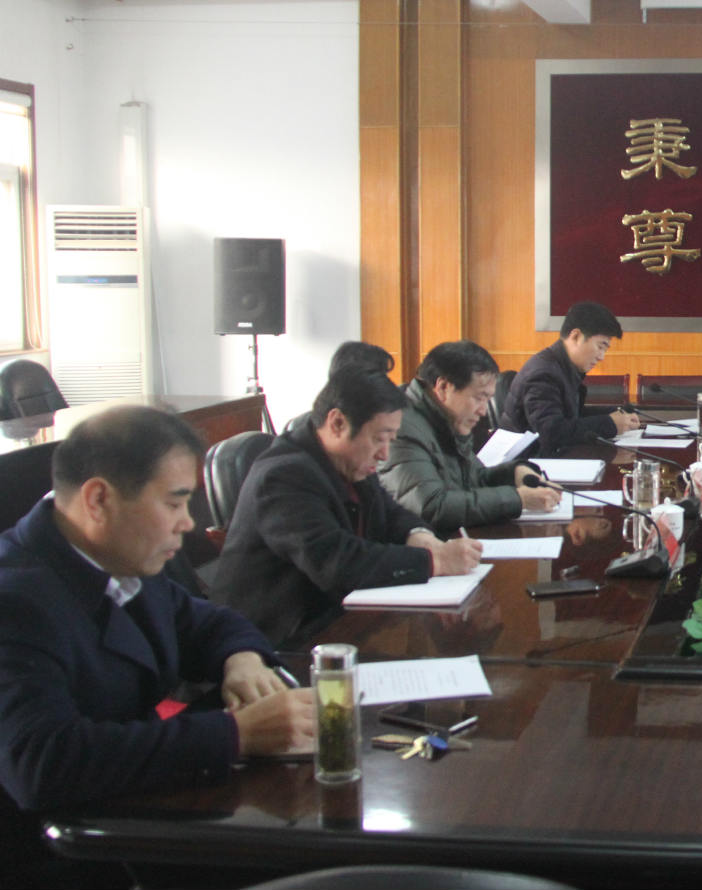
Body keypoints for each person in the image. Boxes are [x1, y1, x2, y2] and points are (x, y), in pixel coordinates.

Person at [0, 407, 313, 866]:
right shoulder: (15, 601)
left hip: (136, 808)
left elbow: (206, 622)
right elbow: (41, 762)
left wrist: (242, 659)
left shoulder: (117, 556)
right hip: (63, 853)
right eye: (174, 503)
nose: (188, 523)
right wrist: (236, 734)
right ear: (98, 500)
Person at [211, 368, 483, 647]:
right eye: (379, 438)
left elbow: (390, 513)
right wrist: (436, 561)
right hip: (271, 646)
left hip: (336, 622)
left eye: (391, 440)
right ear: (338, 423)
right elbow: (337, 562)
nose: (385, 454)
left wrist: (419, 536)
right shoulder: (283, 476)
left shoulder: (348, 460)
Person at [379, 339, 561, 528]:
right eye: (479, 398)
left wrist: (515, 473)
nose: (483, 411)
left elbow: (473, 479)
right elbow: (432, 506)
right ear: (443, 388)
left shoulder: (444, 420)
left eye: (487, 400)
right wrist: (518, 499)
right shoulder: (400, 428)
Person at [501, 301, 641, 456]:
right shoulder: (544, 374)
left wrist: (615, 413)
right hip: (528, 463)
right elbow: (551, 432)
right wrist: (610, 424)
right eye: (600, 347)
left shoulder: (561, 366)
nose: (601, 357)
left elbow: (571, 415)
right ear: (576, 336)